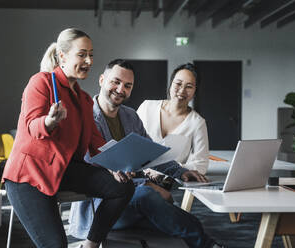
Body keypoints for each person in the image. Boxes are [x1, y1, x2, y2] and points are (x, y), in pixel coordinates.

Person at [68, 59, 224, 248]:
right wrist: (147, 185)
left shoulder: (130, 116)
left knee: (175, 221)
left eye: (127, 85)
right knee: (148, 197)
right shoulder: (85, 117)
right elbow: (92, 170)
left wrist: (179, 172)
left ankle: (208, 244)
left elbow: (151, 153)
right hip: (102, 207)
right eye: (115, 82)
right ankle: (207, 245)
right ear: (102, 80)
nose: (120, 89)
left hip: (131, 204)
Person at [2, 29, 135, 248]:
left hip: (64, 170)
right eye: (82, 54)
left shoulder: (83, 99)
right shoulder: (41, 82)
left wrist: (117, 163)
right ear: (63, 56)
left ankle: (90, 244)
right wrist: (50, 121)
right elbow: (31, 125)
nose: (89, 61)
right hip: (29, 175)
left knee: (123, 187)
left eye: (91, 55)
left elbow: (95, 140)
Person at [137, 63, 209, 175]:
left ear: (195, 92)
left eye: (189, 86)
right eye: (178, 83)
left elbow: (201, 164)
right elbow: (129, 143)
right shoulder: (147, 107)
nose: (182, 90)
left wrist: (170, 170)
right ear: (170, 85)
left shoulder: (197, 123)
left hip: (170, 181)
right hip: (136, 175)